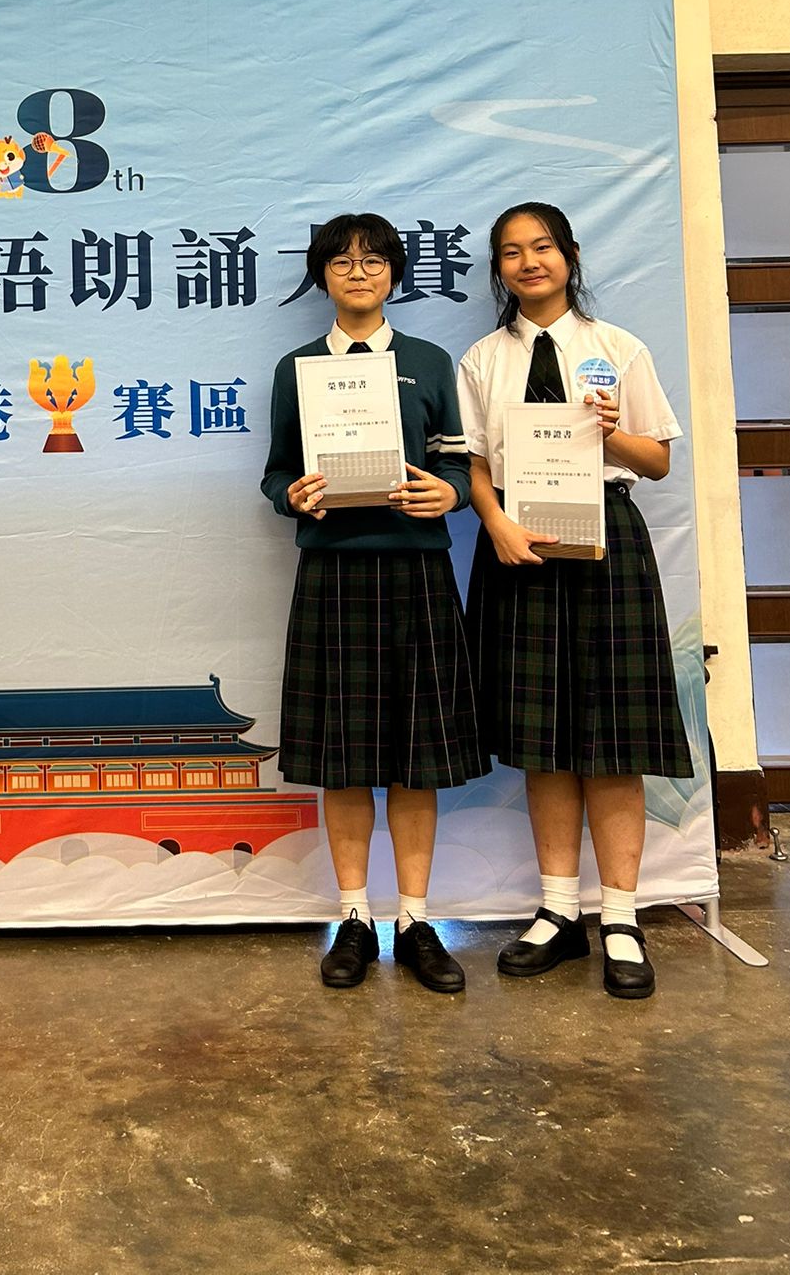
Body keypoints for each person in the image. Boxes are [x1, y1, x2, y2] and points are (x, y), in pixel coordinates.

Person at [457, 202, 692, 1001]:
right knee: (544, 737)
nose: (529, 262)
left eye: (542, 247)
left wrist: (610, 431)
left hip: (606, 539)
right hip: (519, 541)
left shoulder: (617, 349)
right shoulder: (483, 359)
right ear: (499, 269)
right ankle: (558, 910)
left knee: (613, 736)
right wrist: (494, 523)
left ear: (571, 255)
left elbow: (656, 462)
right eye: (511, 252)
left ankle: (621, 918)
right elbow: (475, 463)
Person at [262, 212, 483, 994]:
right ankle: (353, 916)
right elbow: (275, 473)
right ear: (322, 275)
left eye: (374, 260)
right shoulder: (296, 369)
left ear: (394, 274)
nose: (358, 273)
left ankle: (415, 919)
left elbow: (459, 467)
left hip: (417, 570)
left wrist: (448, 495)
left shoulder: (428, 362)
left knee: (417, 756)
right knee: (345, 758)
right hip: (333, 572)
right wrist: (292, 496)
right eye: (342, 261)